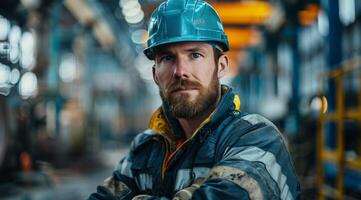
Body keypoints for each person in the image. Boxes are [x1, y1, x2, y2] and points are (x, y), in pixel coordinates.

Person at [89, 0, 300, 199]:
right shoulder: (146, 150)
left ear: (221, 66)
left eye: (195, 55)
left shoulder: (257, 138)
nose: (181, 71)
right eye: (167, 58)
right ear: (155, 75)